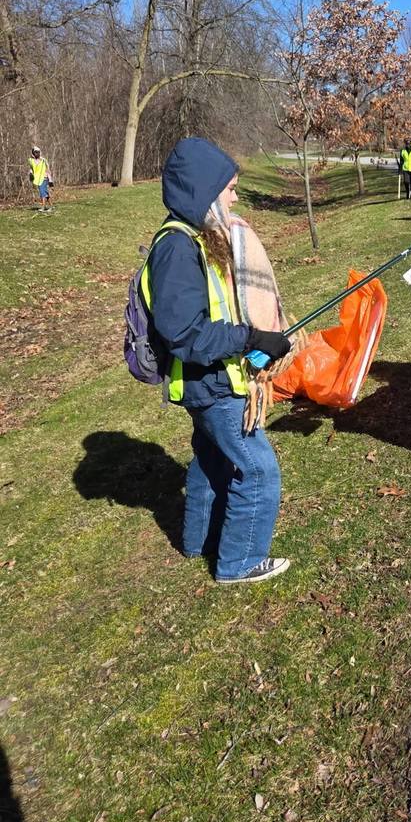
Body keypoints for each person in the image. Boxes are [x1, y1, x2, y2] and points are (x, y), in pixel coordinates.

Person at [144, 137, 294, 584]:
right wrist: (252, 336)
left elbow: (212, 312)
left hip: (208, 379)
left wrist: (261, 338)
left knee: (211, 462)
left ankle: (198, 541)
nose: (235, 196)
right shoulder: (176, 248)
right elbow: (186, 334)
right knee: (258, 469)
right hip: (209, 384)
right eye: (228, 188)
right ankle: (239, 562)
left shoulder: (196, 238)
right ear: (203, 192)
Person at [28, 146, 53, 212]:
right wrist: (31, 174)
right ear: (33, 153)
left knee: (42, 193)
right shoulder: (31, 161)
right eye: (35, 152)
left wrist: (50, 179)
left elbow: (48, 169)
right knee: (45, 193)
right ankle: (51, 206)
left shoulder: (43, 160)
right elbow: (31, 168)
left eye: (38, 152)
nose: (37, 153)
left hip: (44, 178)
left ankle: (43, 207)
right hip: (37, 179)